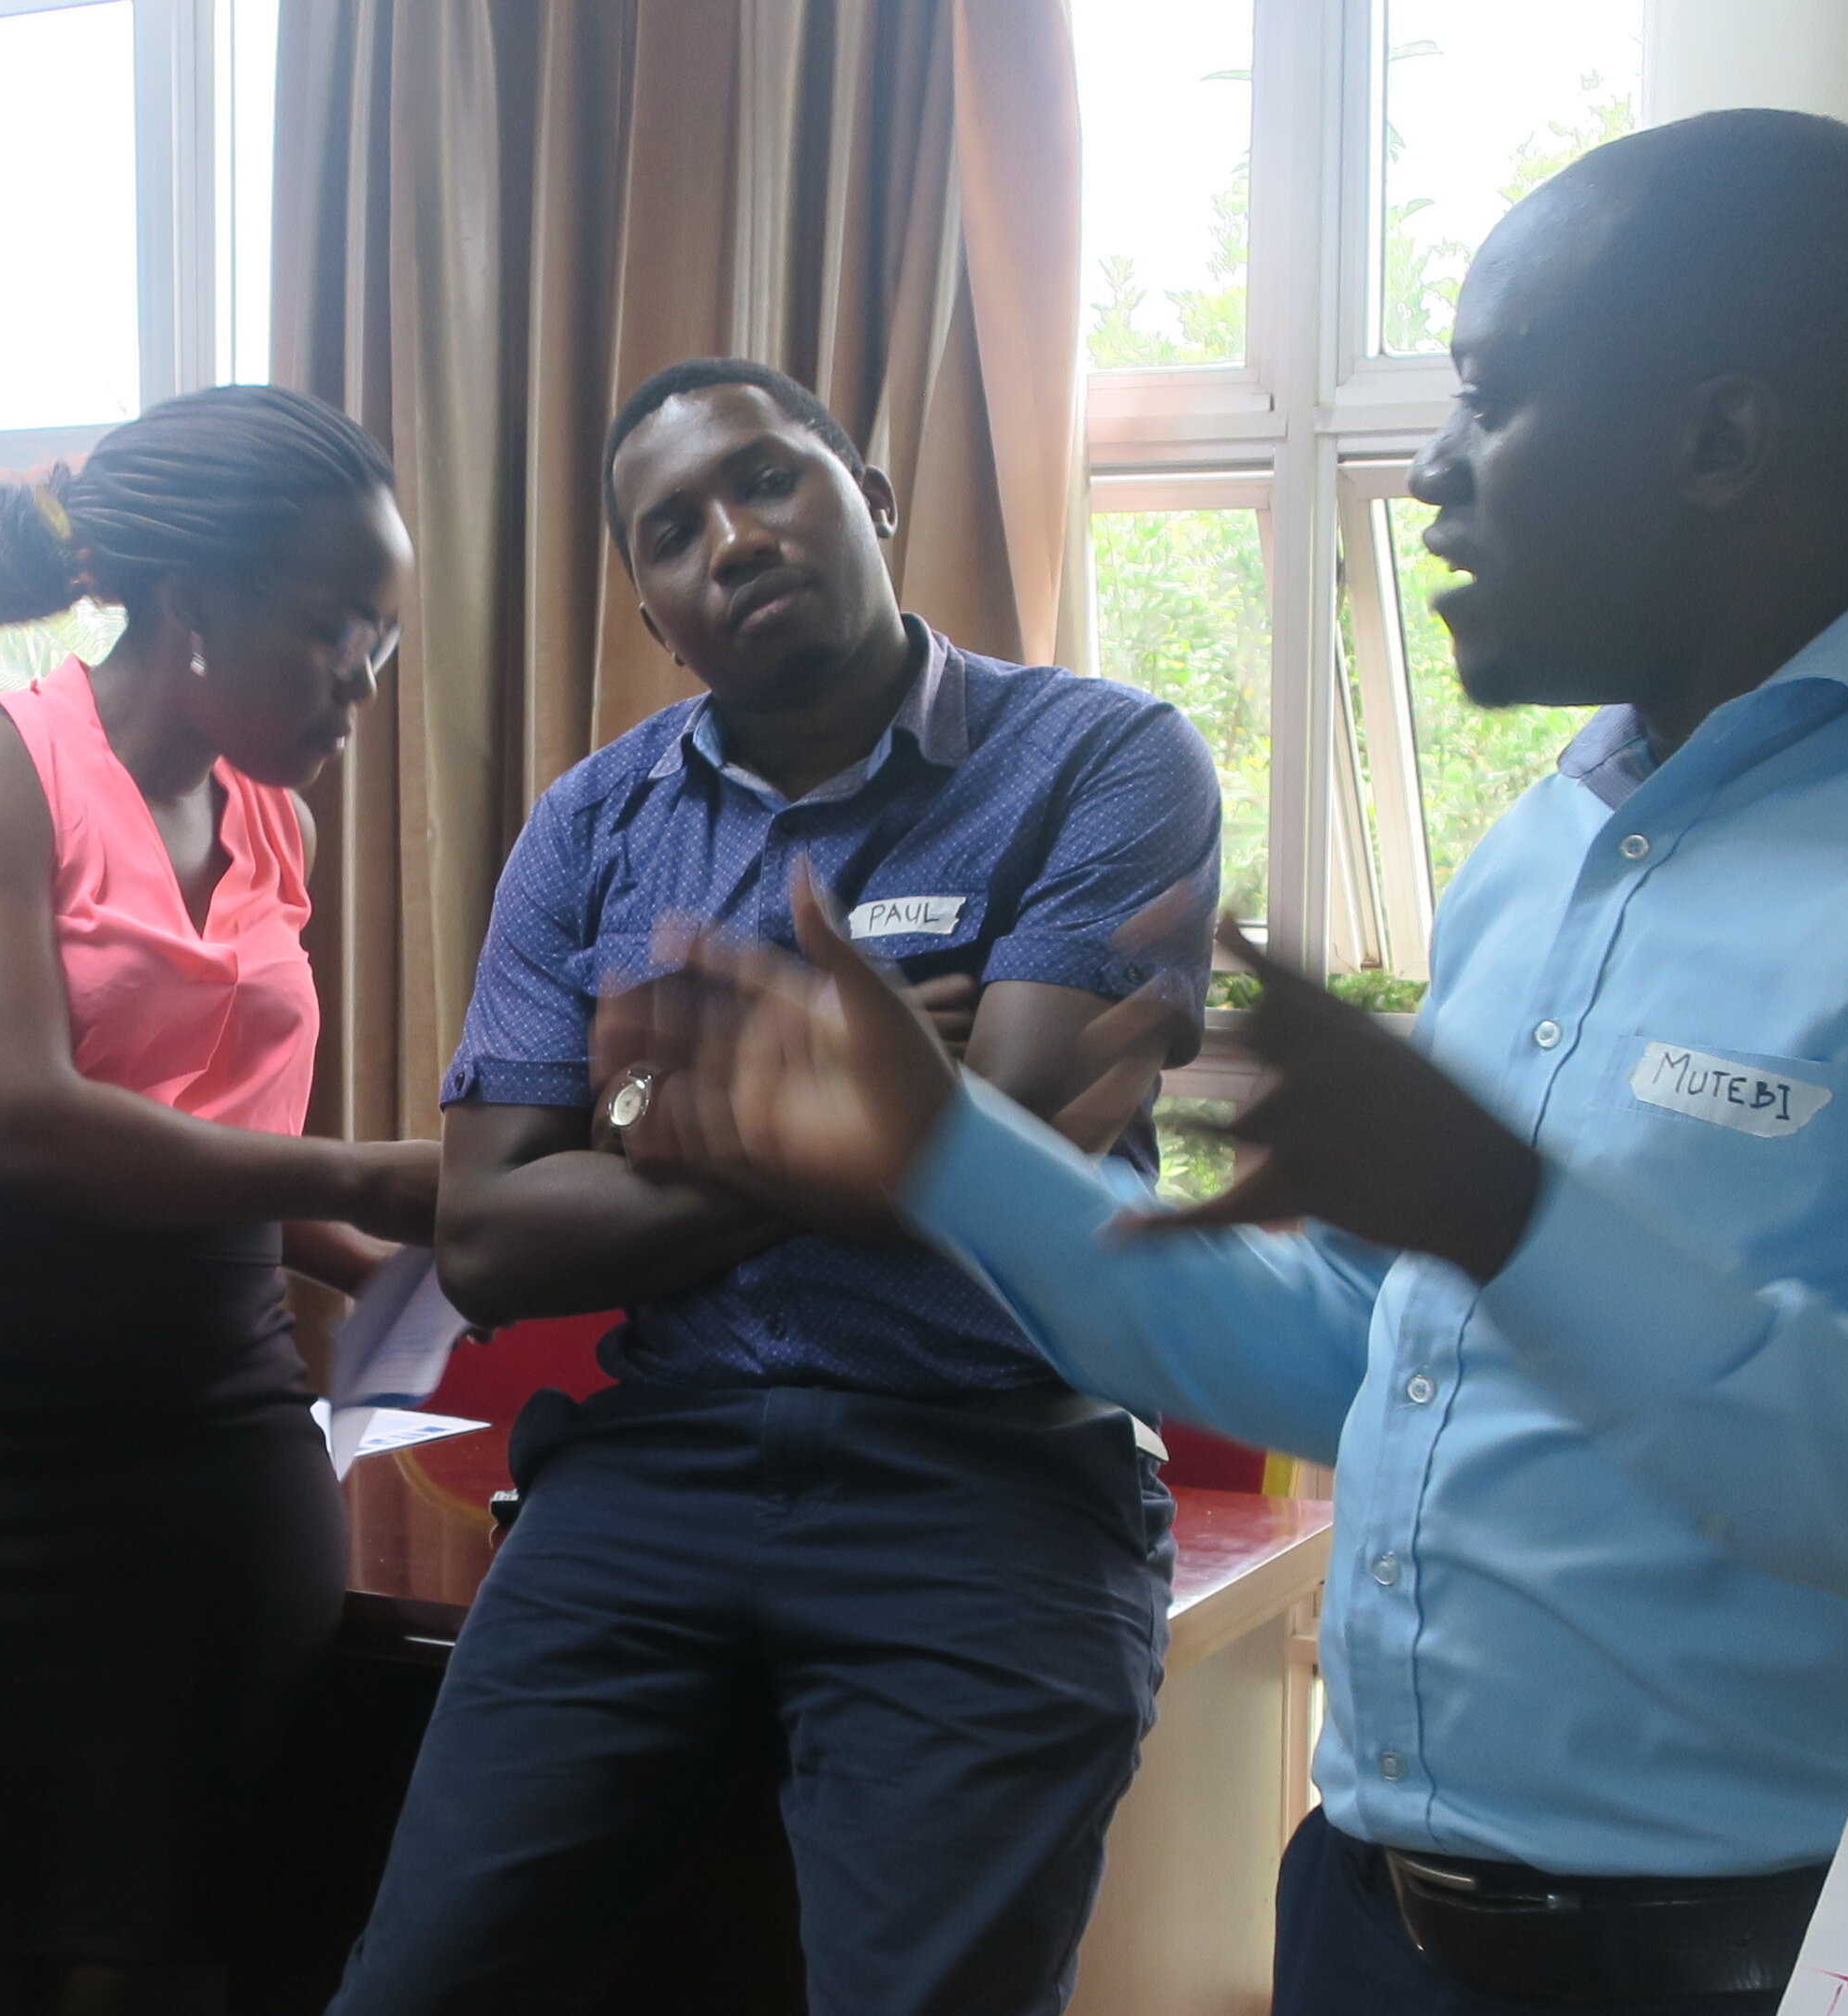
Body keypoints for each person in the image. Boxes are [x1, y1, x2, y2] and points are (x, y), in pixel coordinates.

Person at [590, 113, 1848, 2016]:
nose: (1435, 473)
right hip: (1372, 1914)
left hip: (1758, 1952)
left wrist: (1504, 1210)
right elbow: (1335, 1354)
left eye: (1494, 400)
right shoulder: (1555, 833)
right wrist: (940, 1145)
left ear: (1718, 440)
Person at [323, 359, 1218, 2016]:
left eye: (767, 482)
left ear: (868, 498)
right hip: (649, 1474)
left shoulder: (1101, 761)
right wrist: (876, 1100)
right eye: (671, 532)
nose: (729, 539)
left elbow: (1005, 1157)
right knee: (412, 1989)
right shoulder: (593, 822)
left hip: (989, 1479)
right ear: (656, 612)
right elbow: (499, 1236)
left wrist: (652, 1111)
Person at [0, 385, 438, 2016]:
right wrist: (378, 1174)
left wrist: (414, 1267)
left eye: (383, 634)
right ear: (196, 604)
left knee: (186, 1943)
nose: (365, 672)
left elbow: (212, 1141)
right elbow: (22, 1122)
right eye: (335, 624)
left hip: (212, 1442)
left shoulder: (267, 815)